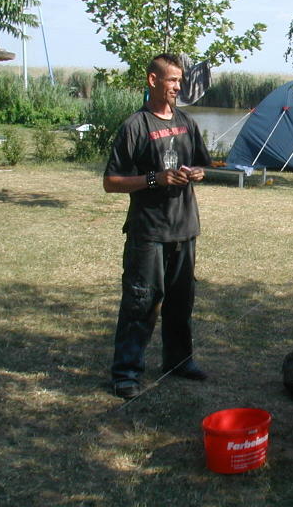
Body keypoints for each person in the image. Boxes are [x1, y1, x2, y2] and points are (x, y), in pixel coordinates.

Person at [104, 53, 212, 400]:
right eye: (172, 80)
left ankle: (178, 361)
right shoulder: (135, 125)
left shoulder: (185, 121)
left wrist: (196, 172)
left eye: (180, 81)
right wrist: (155, 178)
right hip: (149, 231)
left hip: (184, 227)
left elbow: (201, 165)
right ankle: (126, 373)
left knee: (182, 302)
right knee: (141, 302)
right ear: (153, 80)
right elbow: (111, 181)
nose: (178, 87)